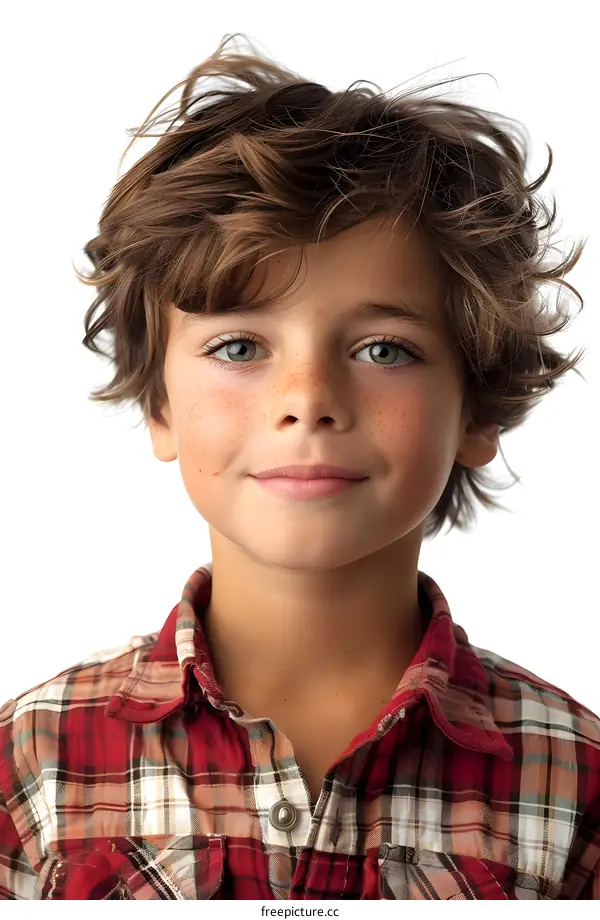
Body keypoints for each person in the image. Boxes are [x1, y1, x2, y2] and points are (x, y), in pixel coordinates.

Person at [1, 32, 597, 901]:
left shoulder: (578, 785)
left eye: (384, 349)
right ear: (159, 406)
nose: (307, 398)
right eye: (240, 346)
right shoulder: (31, 768)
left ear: (478, 410)